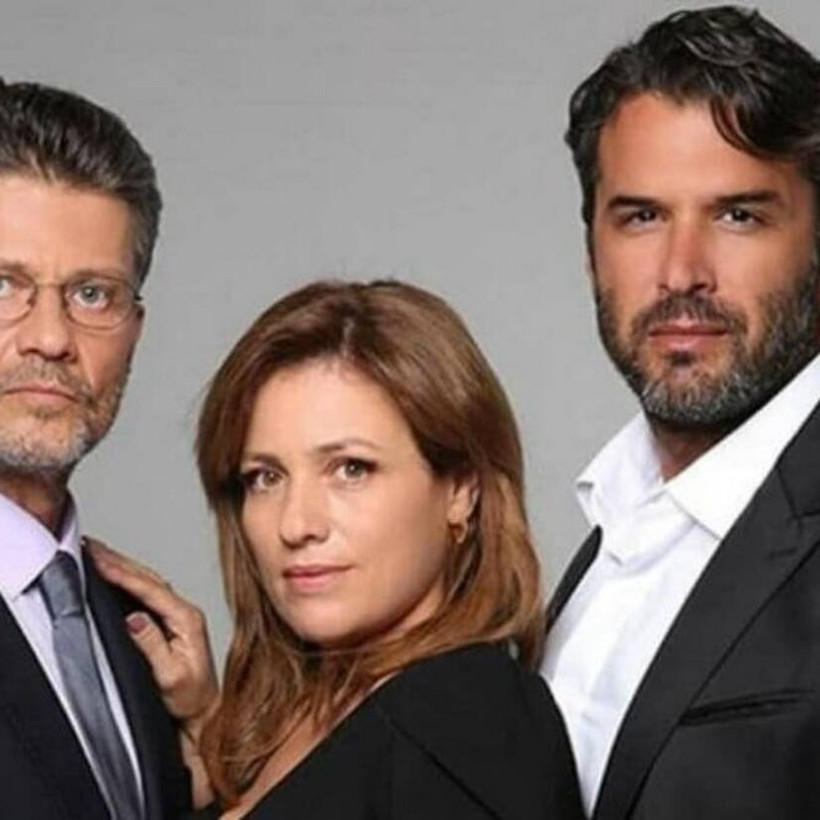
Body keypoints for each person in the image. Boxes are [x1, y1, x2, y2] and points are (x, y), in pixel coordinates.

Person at [542, 6, 820, 819]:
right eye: (642, 216)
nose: (681, 271)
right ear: (590, 247)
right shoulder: (613, 532)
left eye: (738, 215)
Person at [173, 279, 582, 818]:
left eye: (351, 469)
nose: (296, 524)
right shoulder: (293, 724)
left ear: (462, 490)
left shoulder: (465, 725)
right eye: (265, 477)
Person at [0, 79, 216, 818]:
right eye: (5, 285)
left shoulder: (140, 641)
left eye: (92, 294)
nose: (51, 338)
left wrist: (212, 753)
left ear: (135, 330)